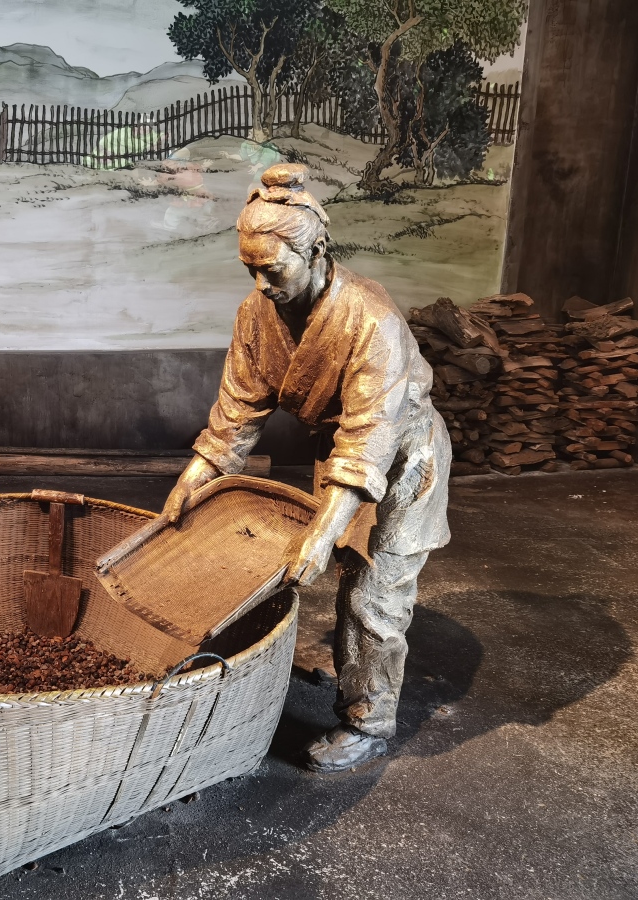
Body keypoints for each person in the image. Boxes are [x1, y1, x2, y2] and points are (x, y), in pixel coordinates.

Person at [161, 163, 451, 772]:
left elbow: (371, 437)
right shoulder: (256, 316)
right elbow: (237, 412)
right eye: (250, 269)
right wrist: (193, 479)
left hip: (401, 456)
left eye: (273, 269)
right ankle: (345, 664)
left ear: (316, 251)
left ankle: (368, 720)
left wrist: (321, 530)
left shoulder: (372, 320)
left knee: (373, 592)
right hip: (341, 451)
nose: (261, 284)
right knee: (333, 565)